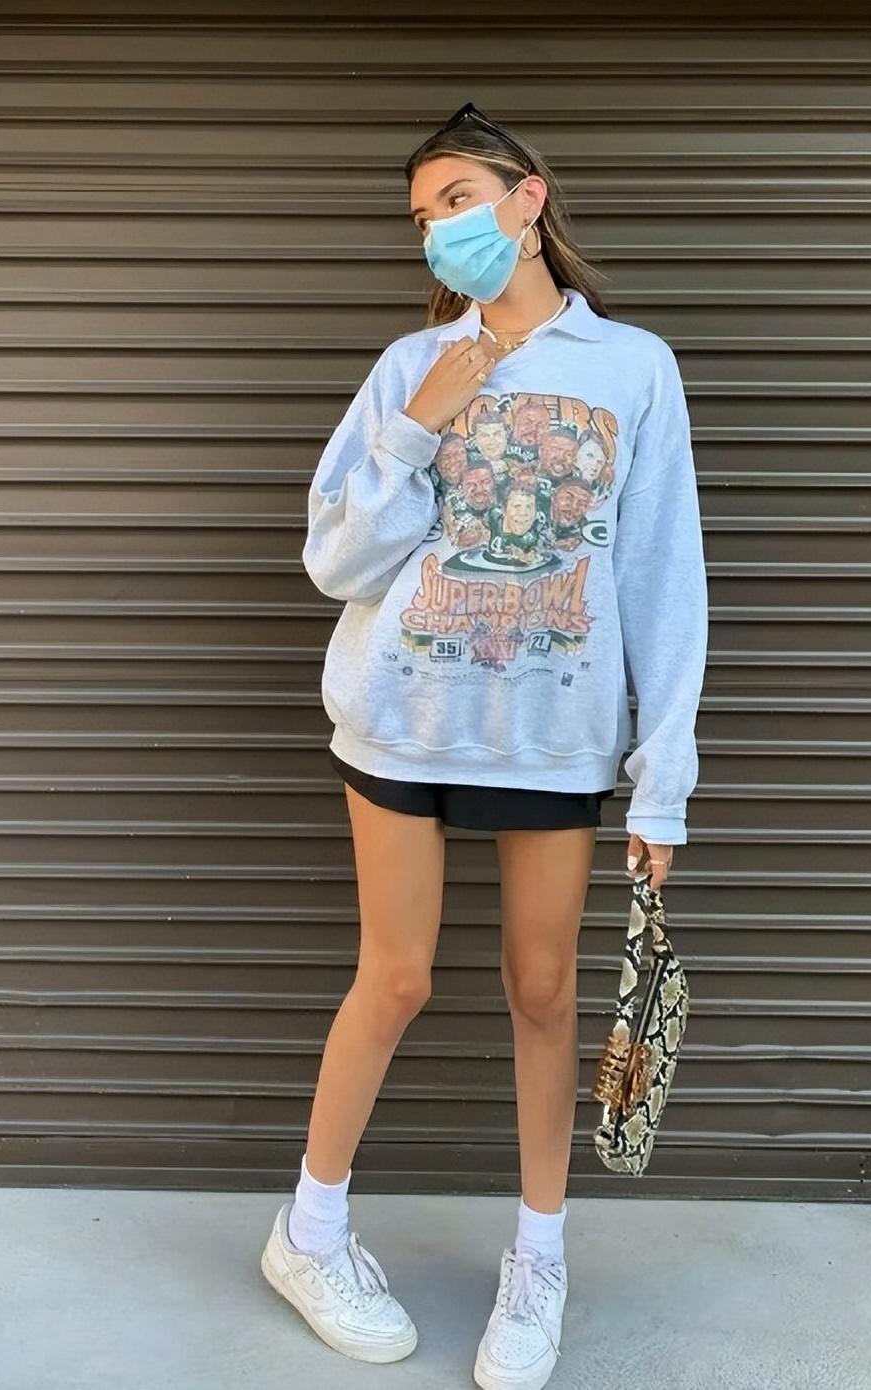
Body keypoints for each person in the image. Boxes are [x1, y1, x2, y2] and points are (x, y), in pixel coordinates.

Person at [260, 102, 709, 1390]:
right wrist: (420, 424)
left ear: (527, 200)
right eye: (422, 216)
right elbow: (335, 562)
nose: (440, 230)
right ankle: (309, 1233)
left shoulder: (634, 368)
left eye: (458, 199)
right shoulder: (413, 363)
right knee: (393, 979)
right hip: (402, 712)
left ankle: (539, 1258)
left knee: (544, 991)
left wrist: (663, 778)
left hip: (554, 735)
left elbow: (662, 576)